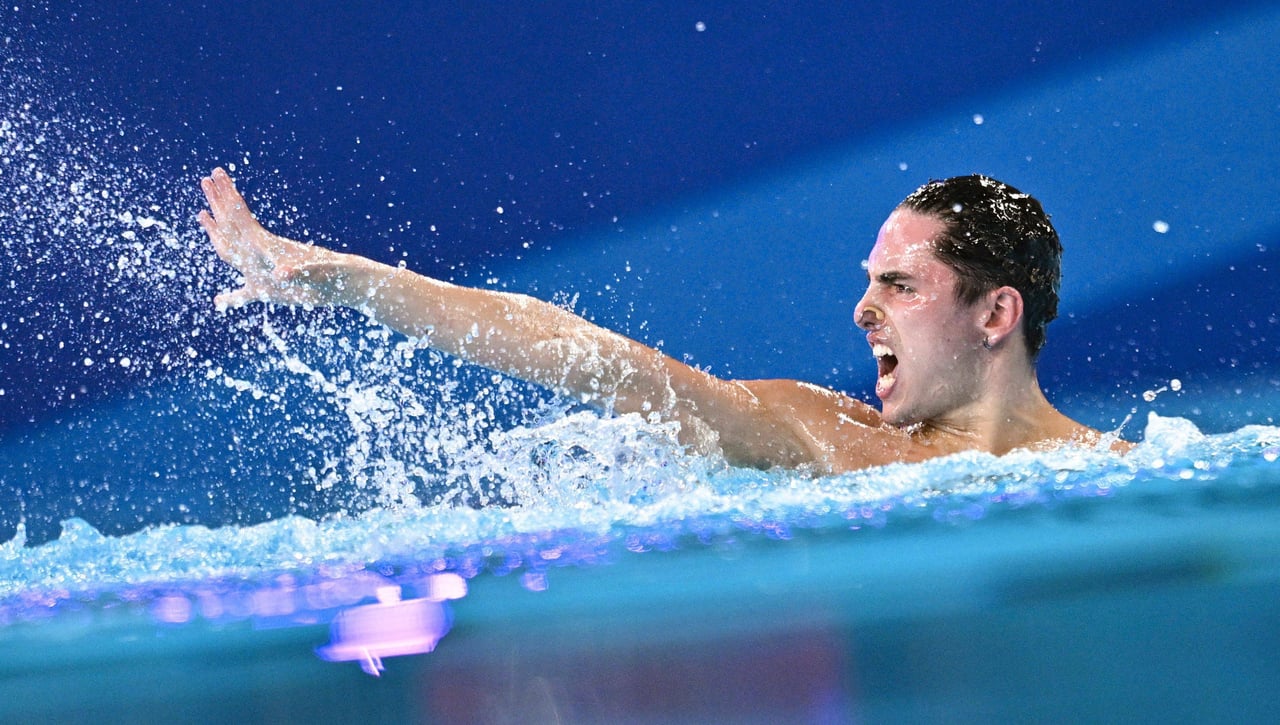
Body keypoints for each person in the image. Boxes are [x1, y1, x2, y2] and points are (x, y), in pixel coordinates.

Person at [199, 169, 1122, 473]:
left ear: (996, 311)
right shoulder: (831, 438)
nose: (863, 308)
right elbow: (596, 360)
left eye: (901, 286)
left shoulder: (1121, 468)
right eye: (868, 282)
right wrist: (354, 282)